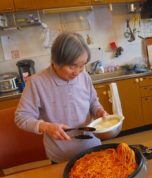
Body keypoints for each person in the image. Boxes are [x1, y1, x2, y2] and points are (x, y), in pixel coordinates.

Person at [15, 32, 109, 163]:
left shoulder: (84, 76)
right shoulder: (37, 82)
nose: (77, 72)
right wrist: (46, 127)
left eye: (82, 65)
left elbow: (93, 103)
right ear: (56, 61)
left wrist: (99, 111)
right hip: (62, 157)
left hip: (92, 150)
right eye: (72, 66)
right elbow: (21, 117)